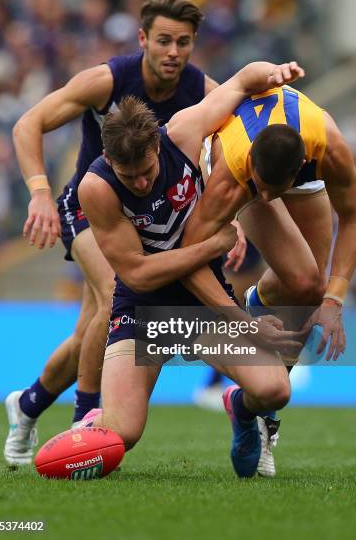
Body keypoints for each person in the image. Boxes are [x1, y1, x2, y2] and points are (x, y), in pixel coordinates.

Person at [5, 0, 246, 466]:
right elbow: (27, 124)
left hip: (147, 222)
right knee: (119, 286)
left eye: (183, 42)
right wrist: (38, 192)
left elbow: (231, 143)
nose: (173, 51)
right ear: (143, 40)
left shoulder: (201, 89)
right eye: (163, 41)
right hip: (90, 208)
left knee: (86, 336)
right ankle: (86, 418)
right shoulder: (107, 80)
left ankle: (28, 403)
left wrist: (229, 214)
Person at [77, 60, 305, 479]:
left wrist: (274, 72)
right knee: (122, 435)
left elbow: (239, 82)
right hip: (144, 310)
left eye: (146, 172)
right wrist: (212, 245)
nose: (141, 184)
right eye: (129, 177)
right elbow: (139, 275)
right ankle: (90, 423)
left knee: (275, 390)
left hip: (200, 304)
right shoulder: (97, 188)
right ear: (108, 157)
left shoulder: (182, 131)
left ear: (157, 145)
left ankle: (239, 407)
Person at [176, 82, 356, 475]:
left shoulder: (328, 147)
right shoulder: (235, 173)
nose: (265, 199)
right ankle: (264, 403)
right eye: (259, 189)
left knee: (311, 289)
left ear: (298, 171)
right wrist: (231, 321)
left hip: (298, 155)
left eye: (272, 190)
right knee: (302, 278)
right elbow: (188, 258)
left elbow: (354, 218)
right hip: (237, 158)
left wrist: (334, 301)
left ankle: (256, 408)